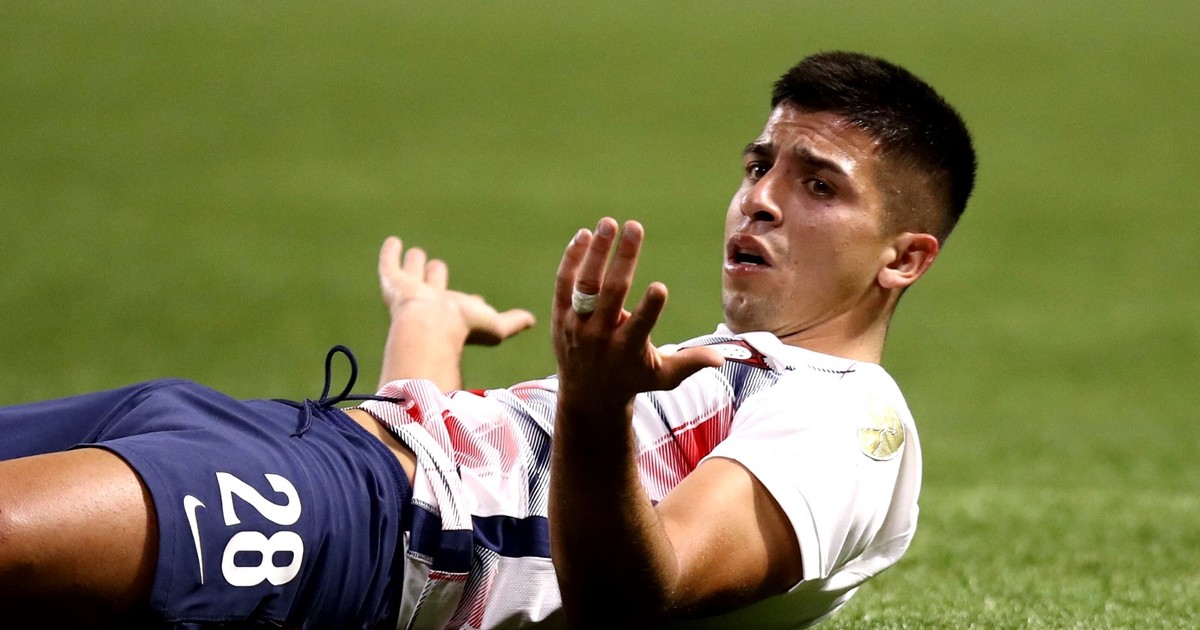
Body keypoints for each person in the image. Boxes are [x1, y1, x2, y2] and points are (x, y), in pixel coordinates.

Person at [0, 50, 975, 628]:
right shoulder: (729, 367)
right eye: (759, 164)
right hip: (281, 444)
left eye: (817, 183)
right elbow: (485, 481)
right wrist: (426, 343)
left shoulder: (851, 421)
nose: (759, 198)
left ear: (905, 258)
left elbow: (633, 596)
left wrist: (594, 407)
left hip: (348, 523)